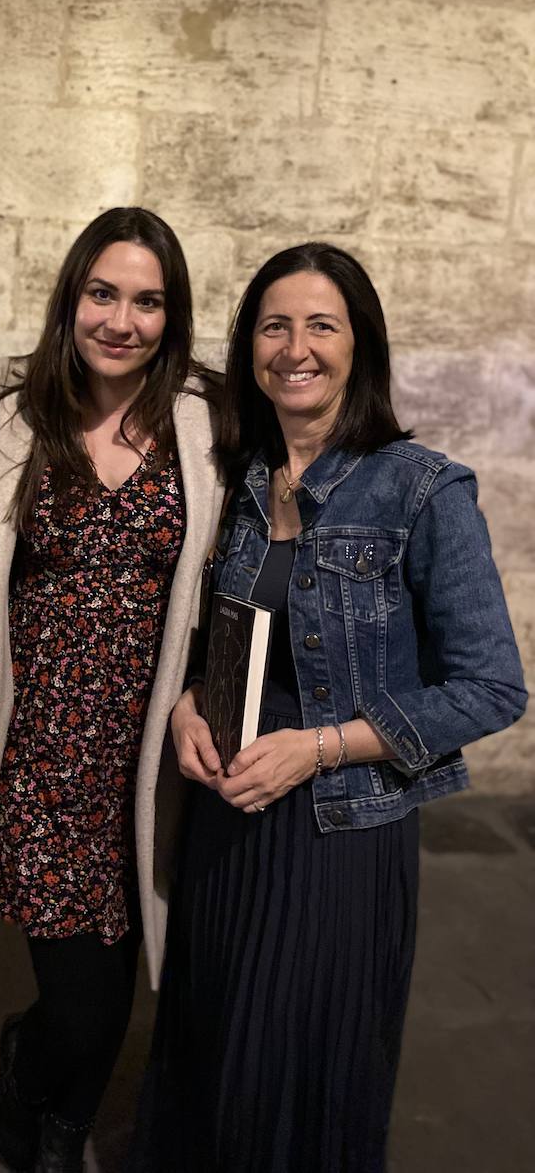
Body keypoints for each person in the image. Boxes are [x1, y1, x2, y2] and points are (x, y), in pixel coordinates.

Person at [133, 242, 527, 1173]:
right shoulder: (237, 480)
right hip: (227, 823)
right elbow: (229, 633)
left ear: (361, 345)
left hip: (337, 834)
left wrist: (316, 750)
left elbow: (491, 686)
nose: (295, 346)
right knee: (212, 1044)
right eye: (274, 325)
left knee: (303, 1069)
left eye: (321, 324)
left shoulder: (422, 489)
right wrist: (193, 702)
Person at [0, 207, 226, 1173]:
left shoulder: (210, 419)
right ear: (72, 298)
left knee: (122, 987)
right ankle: (34, 1078)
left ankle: (60, 1123)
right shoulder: (11, 412)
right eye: (103, 294)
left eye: (148, 301)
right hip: (41, 752)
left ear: (174, 313)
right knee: (82, 1000)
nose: (122, 320)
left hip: (148, 756)